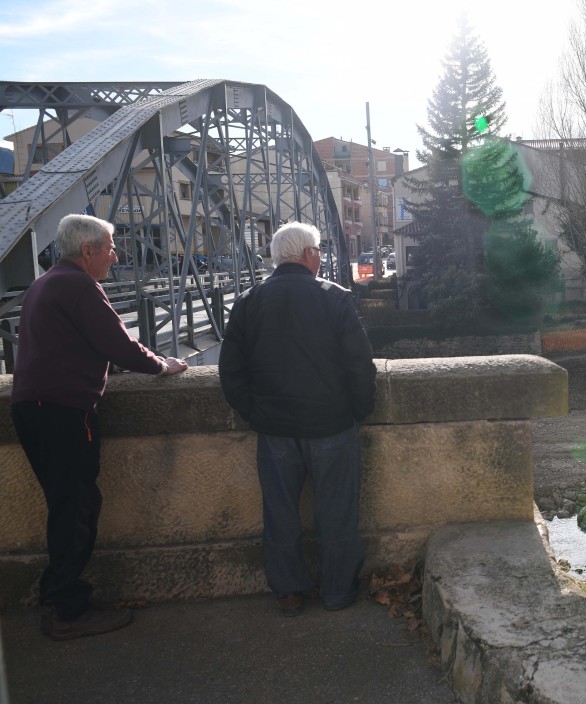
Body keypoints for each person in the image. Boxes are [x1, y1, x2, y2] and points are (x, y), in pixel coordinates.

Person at [10, 214, 188, 641]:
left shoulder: (47, 281)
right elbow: (118, 345)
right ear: (87, 251)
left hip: (35, 406)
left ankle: (60, 598)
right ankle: (68, 611)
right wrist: (162, 364)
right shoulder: (77, 285)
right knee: (77, 509)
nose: (116, 255)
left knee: (67, 505)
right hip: (64, 411)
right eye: (109, 247)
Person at [219, 222, 375, 617]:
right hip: (331, 424)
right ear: (308, 255)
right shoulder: (334, 298)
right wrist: (359, 410)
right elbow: (359, 364)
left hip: (274, 429)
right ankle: (338, 591)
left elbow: (231, 371)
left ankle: (288, 592)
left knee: (281, 513)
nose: (321, 256)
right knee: (336, 512)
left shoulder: (249, 300)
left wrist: (253, 413)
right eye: (319, 250)